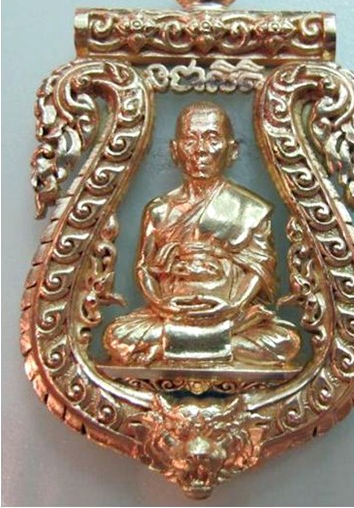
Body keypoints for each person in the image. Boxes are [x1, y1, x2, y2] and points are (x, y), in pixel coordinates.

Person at [104, 101, 300, 366]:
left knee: (285, 342)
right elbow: (144, 269)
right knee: (117, 336)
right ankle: (212, 346)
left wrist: (233, 306)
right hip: (172, 315)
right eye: (190, 140)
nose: (200, 150)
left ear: (232, 150)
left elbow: (261, 268)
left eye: (212, 139)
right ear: (175, 151)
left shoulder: (249, 208)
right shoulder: (159, 210)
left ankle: (173, 347)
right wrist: (162, 306)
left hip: (231, 318)